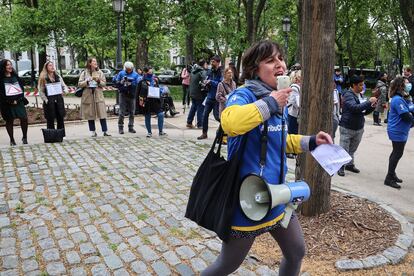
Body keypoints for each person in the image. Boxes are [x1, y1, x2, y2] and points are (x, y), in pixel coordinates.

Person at [202, 40, 333, 276]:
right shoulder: (244, 95)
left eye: (280, 58)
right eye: (271, 60)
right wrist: (271, 103)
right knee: (227, 265)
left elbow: (279, 141)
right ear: (254, 69)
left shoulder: (277, 100)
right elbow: (229, 123)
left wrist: (312, 141)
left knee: (296, 252)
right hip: (248, 200)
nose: (280, 64)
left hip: (277, 197)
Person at [337, 75, 377, 176]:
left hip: (358, 126)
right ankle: (340, 167)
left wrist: (372, 106)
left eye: (363, 85)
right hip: (347, 126)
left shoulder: (360, 95)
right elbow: (355, 108)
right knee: (344, 149)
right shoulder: (348, 95)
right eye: (360, 85)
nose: (362, 87)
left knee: (352, 149)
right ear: (353, 85)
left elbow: (363, 111)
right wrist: (369, 102)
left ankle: (350, 164)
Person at [384, 76, 414, 189]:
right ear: (401, 85)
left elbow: (409, 110)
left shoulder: (402, 98)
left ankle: (392, 174)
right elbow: (406, 116)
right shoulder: (397, 99)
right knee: (397, 153)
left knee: (396, 153)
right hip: (397, 130)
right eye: (406, 83)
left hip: (401, 130)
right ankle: (389, 178)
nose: (409, 84)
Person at [78, 57, 111, 137]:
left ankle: (105, 131)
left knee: (102, 112)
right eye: (93, 61)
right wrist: (87, 81)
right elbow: (79, 84)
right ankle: (93, 131)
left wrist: (99, 81)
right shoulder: (84, 72)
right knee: (90, 114)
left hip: (98, 94)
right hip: (88, 95)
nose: (95, 63)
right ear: (89, 63)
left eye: (96, 61)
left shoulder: (100, 72)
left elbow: (104, 83)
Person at [0, 59, 29, 146]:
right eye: (8, 65)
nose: (10, 66)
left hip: (19, 102)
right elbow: (1, 93)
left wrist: (18, 100)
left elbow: (21, 89)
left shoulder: (16, 77)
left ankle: (24, 137)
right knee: (9, 121)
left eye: (11, 64)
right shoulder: (1, 79)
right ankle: (12, 140)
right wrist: (9, 101)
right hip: (7, 104)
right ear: (3, 67)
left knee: (24, 118)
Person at [38, 61, 68, 136]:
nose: (52, 67)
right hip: (49, 100)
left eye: (52, 65)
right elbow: (41, 91)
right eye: (50, 65)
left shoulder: (57, 76)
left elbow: (64, 85)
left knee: (60, 117)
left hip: (58, 100)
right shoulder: (43, 78)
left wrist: (65, 91)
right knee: (50, 118)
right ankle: (51, 135)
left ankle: (61, 134)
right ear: (46, 68)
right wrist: (46, 100)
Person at [198, 55, 222, 140]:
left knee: (217, 117)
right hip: (209, 96)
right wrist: (205, 82)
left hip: (217, 98)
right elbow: (208, 78)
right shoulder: (210, 71)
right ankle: (204, 133)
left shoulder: (221, 72)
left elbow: (220, 84)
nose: (212, 63)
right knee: (204, 115)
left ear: (218, 62)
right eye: (211, 61)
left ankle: (225, 128)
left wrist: (211, 82)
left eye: (213, 62)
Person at [138, 66, 167, 138]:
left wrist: (161, 91)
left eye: (152, 72)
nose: (151, 74)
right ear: (145, 72)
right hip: (146, 101)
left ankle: (161, 131)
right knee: (147, 116)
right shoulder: (142, 81)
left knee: (160, 114)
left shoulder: (155, 80)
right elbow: (138, 92)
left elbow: (158, 88)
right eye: (149, 72)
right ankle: (149, 132)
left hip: (155, 100)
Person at [116, 61, 140, 134]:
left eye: (130, 69)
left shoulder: (135, 74)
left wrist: (132, 83)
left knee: (132, 112)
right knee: (121, 112)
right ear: (125, 68)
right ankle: (120, 127)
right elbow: (117, 82)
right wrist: (122, 81)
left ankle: (131, 127)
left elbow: (137, 82)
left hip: (132, 94)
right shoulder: (121, 73)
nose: (129, 70)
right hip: (123, 94)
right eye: (127, 69)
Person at [186, 59, 207, 129]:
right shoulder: (202, 72)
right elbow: (204, 82)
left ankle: (189, 122)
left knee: (194, 106)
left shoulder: (193, 70)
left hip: (192, 92)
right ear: (204, 64)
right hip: (199, 93)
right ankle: (200, 124)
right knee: (200, 108)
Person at [287, 70, 301, 135]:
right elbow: (294, 102)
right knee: (292, 133)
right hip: (293, 114)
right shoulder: (295, 87)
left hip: (295, 114)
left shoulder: (297, 87)